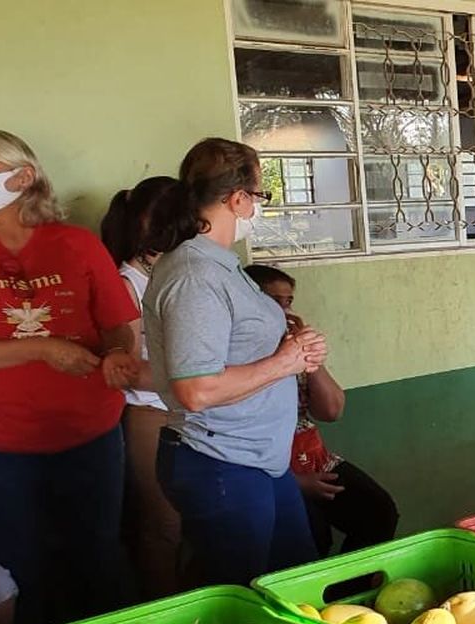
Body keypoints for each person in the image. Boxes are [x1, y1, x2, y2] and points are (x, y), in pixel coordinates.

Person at [142, 137, 323, 587]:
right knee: (242, 601)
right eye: (259, 196)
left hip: (257, 459)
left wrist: (294, 350)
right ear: (238, 199)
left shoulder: (221, 265)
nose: (257, 208)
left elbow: (236, 347)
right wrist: (284, 362)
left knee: (292, 582)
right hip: (220, 460)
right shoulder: (193, 274)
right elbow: (195, 389)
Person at [0, 128, 136, 624]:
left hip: (89, 436)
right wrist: (44, 348)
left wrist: (117, 354)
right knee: (15, 572)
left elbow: (119, 324)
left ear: (22, 177)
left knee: (95, 559)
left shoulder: (76, 244)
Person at [244, 264, 400, 556]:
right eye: (272, 300)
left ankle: (348, 596)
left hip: (315, 459)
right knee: (312, 538)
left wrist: (307, 353)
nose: (282, 310)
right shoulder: (240, 353)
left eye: (287, 301)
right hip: (268, 469)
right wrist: (295, 483)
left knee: (379, 511)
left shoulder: (292, 346)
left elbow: (331, 410)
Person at [101, 176, 185, 599]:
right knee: (162, 525)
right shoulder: (126, 282)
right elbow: (131, 368)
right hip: (150, 413)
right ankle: (161, 614)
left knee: (190, 520)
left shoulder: (176, 273)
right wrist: (198, 378)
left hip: (189, 408)